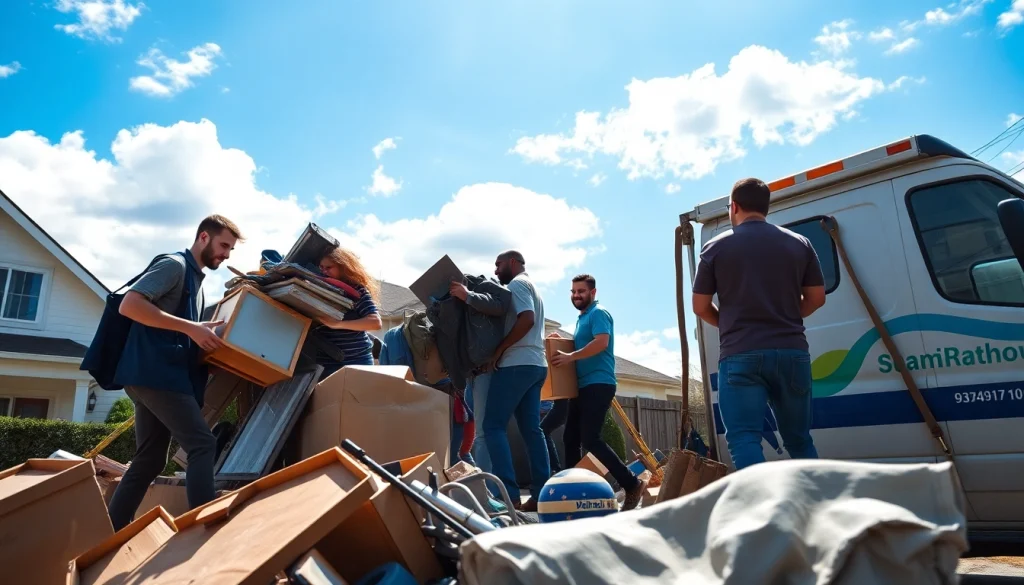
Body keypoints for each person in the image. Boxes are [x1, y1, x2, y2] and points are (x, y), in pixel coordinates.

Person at [106, 215, 242, 531]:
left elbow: (176, 330)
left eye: (231, 249)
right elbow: (130, 305)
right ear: (204, 237)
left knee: (151, 460)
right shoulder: (174, 266)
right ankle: (205, 529)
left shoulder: (197, 282)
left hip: (148, 376)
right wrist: (191, 328)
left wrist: (201, 337)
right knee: (202, 444)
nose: (226, 254)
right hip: (156, 375)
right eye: (224, 245)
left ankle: (113, 532)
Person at [691, 177, 826, 470]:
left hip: (740, 354)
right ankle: (816, 497)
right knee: (799, 440)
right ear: (766, 207)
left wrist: (730, 325)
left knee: (744, 440)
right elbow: (817, 298)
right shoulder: (800, 243)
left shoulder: (715, 248)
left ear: (734, 207)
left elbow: (700, 307)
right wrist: (785, 317)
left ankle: (760, 500)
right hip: (792, 352)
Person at [550, 274, 647, 511]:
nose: (576, 295)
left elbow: (601, 342)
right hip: (581, 386)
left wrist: (571, 356)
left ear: (593, 293)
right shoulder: (582, 318)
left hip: (599, 383)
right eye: (573, 292)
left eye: (581, 291)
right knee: (570, 438)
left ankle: (632, 483)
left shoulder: (599, 313)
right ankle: (571, 492)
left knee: (590, 438)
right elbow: (583, 344)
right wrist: (562, 342)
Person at [483, 250, 550, 511]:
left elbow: (527, 319)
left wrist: (499, 349)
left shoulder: (518, 284)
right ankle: (541, 495)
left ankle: (508, 496)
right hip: (537, 365)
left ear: (512, 263)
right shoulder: (534, 287)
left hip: (516, 364)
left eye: (498, 264)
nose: (496, 270)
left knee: (493, 426)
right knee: (532, 430)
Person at [315, 248, 383, 377]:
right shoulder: (314, 287)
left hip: (357, 360)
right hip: (324, 363)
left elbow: (375, 322)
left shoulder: (356, 290)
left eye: (329, 267)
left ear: (343, 267)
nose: (324, 271)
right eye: (321, 267)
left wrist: (337, 324)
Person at [539, 399, 567, 473]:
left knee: (542, 431)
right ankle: (556, 468)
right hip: (562, 403)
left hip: (561, 403)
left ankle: (555, 469)